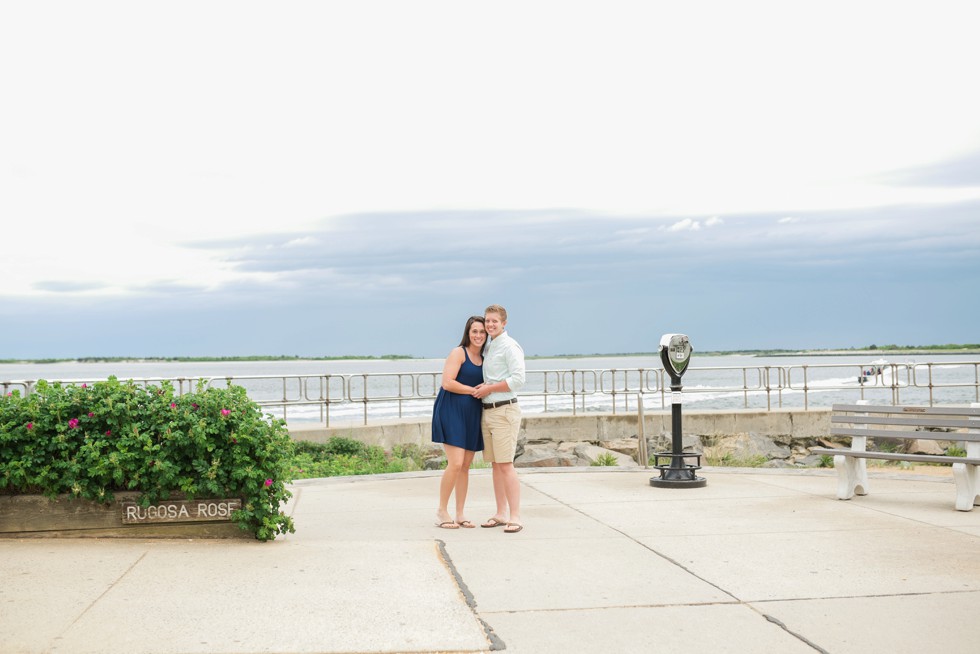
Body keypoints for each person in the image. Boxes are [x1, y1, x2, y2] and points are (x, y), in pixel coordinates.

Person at [472, 304, 526, 533]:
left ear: (504, 323)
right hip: (489, 410)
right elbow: (495, 377)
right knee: (495, 465)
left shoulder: (510, 346)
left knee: (506, 465)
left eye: (495, 321)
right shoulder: (490, 347)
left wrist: (489, 388)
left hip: (504, 411)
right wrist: (486, 388)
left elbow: (518, 380)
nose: (490, 324)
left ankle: (515, 516)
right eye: (488, 321)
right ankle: (500, 513)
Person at [431, 315, 487, 529]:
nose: (478, 335)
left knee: (465, 466)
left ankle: (460, 514)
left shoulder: (484, 358)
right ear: (468, 332)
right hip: (451, 410)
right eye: (475, 331)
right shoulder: (458, 352)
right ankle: (441, 511)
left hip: (472, 413)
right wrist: (474, 390)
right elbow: (447, 383)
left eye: (482, 332)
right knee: (455, 464)